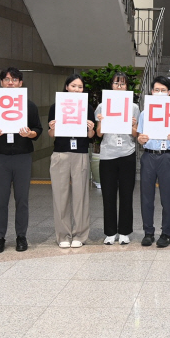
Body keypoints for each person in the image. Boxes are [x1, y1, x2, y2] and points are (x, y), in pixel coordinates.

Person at [0, 67, 42, 254]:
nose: (10, 83)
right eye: (7, 79)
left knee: (22, 199)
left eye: (14, 80)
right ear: (1, 83)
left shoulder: (29, 106)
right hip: (0, 158)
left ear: (20, 83)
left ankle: (21, 236)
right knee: (1, 200)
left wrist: (30, 133)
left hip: (23, 157)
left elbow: (37, 130)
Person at [136, 75, 170, 248]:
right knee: (146, 197)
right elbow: (140, 137)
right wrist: (140, 139)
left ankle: (166, 233)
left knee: (167, 198)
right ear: (151, 92)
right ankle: (148, 232)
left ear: (169, 93)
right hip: (148, 155)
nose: (159, 93)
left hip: (166, 157)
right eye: (156, 90)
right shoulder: (144, 113)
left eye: (163, 90)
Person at [48, 74, 95, 248]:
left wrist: (91, 129)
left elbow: (91, 136)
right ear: (66, 87)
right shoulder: (56, 106)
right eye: (73, 86)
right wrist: (52, 128)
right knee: (60, 196)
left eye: (80, 87)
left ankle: (80, 235)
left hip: (80, 154)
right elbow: (50, 134)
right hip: (60, 153)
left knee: (81, 196)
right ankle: (62, 235)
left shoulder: (87, 107)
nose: (77, 89)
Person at [95, 72, 140, 245]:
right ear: (111, 85)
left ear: (127, 87)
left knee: (127, 194)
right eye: (116, 83)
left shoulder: (134, 107)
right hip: (107, 155)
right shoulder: (101, 106)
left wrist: (132, 124)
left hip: (127, 153)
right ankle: (110, 232)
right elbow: (99, 134)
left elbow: (136, 134)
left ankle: (124, 231)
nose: (119, 86)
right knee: (108, 194)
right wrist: (101, 121)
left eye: (122, 84)